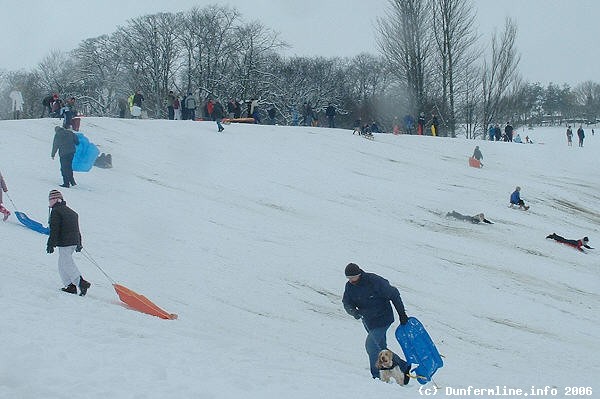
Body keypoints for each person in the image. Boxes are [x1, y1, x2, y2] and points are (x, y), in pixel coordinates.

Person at [342, 263, 411, 381]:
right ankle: (404, 366)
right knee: (381, 348)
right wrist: (354, 312)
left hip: (383, 318)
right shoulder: (349, 287)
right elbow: (347, 303)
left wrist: (402, 314)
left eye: (353, 277)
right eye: (349, 278)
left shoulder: (374, 281)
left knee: (371, 346)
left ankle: (377, 377)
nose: (351, 280)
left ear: (359, 274)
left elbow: (394, 294)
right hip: (369, 322)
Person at [46, 190, 90, 295]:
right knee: (62, 263)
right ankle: (70, 285)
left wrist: (50, 244)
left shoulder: (56, 211)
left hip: (66, 241)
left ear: (56, 199)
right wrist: (79, 243)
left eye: (50, 199)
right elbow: (77, 229)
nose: (49, 202)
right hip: (73, 241)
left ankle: (81, 282)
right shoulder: (71, 212)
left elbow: (54, 229)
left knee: (66, 262)